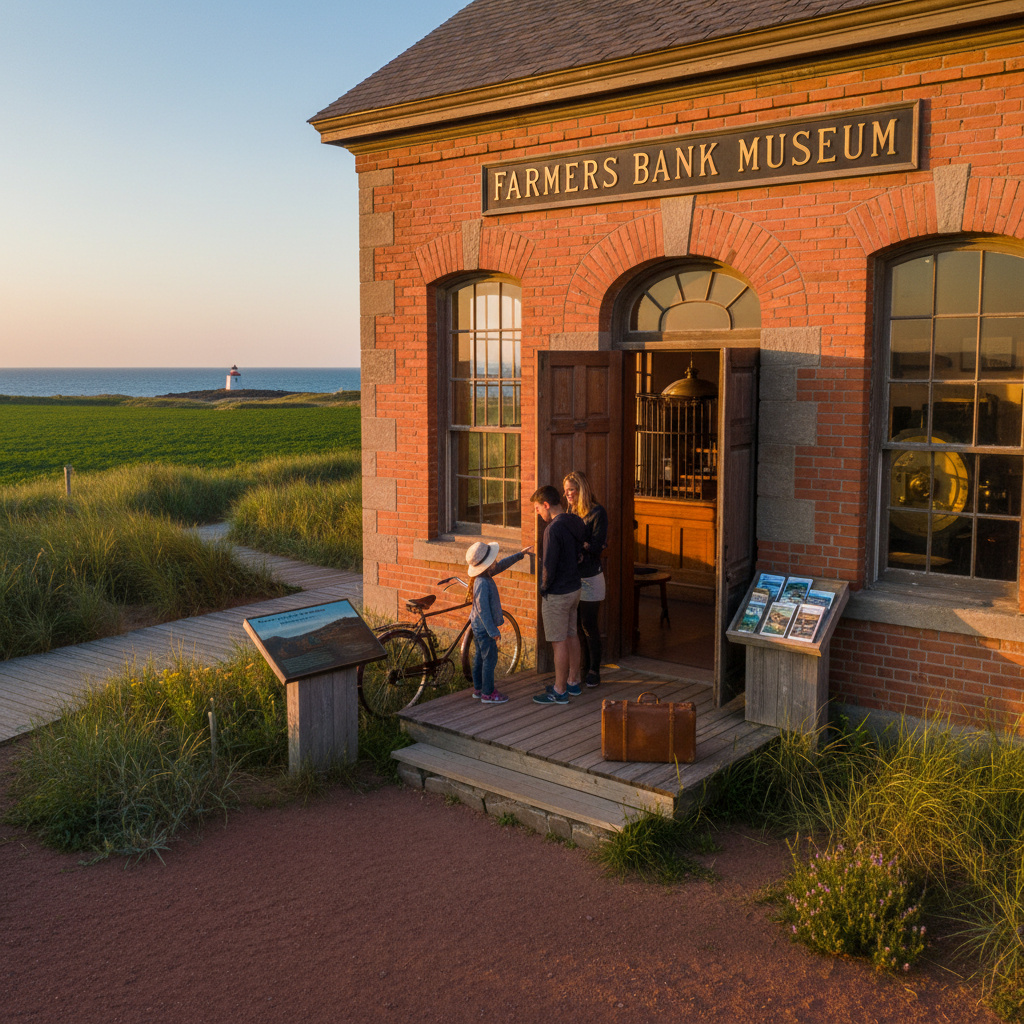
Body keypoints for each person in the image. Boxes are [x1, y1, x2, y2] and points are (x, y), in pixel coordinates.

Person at [529, 484, 585, 705]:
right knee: (572, 634)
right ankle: (573, 680)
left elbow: (548, 566)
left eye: (537, 508)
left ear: (546, 504)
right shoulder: (575, 521)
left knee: (558, 641)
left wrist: (544, 588)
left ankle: (560, 690)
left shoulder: (552, 529)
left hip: (558, 593)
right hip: (575, 589)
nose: (538, 513)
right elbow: (581, 553)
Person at [465, 541, 531, 705]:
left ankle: (479, 689)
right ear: (486, 565)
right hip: (484, 628)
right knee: (490, 659)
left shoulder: (483, 576)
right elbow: (483, 610)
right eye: (493, 559)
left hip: (479, 627)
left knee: (480, 657)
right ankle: (488, 693)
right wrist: (492, 631)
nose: (496, 561)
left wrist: (520, 555)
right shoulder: (482, 583)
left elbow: (501, 565)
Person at [563, 470, 608, 688]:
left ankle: (593, 670)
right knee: (575, 627)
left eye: (571, 490)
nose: (568, 495)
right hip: (573, 578)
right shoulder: (570, 512)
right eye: (566, 491)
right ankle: (579, 668)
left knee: (589, 624)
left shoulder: (597, 513)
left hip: (591, 578)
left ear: (581, 489)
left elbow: (598, 546)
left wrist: (584, 547)